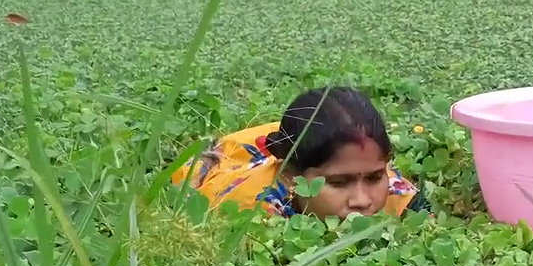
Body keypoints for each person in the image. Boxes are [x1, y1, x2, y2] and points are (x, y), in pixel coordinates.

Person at [169, 86, 431, 218]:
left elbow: (419, 211)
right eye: (338, 183)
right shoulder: (255, 211)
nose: (362, 200)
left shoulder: (373, 172)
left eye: (374, 177)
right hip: (236, 168)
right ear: (289, 176)